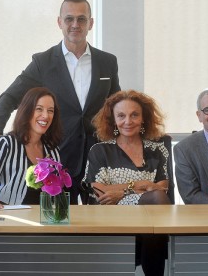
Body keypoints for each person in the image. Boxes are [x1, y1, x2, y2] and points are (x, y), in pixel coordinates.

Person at [0, 0, 120, 204]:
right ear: (59, 22)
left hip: (98, 160)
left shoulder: (108, 62)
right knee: (64, 225)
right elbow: (10, 96)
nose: (75, 24)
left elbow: (116, 107)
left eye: (81, 19)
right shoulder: (42, 62)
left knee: (100, 228)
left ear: (90, 23)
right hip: (59, 158)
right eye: (69, 19)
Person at [83, 90, 171, 276]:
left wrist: (123, 192)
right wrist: (142, 184)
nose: (128, 121)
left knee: (157, 201)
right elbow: (100, 191)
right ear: (113, 120)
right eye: (121, 116)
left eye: (134, 115)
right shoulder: (100, 150)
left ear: (143, 118)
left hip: (149, 215)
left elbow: (163, 188)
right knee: (155, 201)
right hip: (110, 213)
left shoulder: (158, 149)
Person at [0, 87, 62, 209]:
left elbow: (55, 196)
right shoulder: (7, 143)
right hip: (11, 218)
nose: (46, 116)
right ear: (27, 111)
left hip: (42, 220)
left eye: (50, 111)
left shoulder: (53, 151)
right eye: (39, 109)